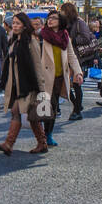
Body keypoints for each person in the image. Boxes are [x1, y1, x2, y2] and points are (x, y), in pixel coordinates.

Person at [0, 12, 48, 155]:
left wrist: (41, 88)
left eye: (18, 23)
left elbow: (37, 65)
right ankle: (42, 143)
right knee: (31, 116)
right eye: (14, 23)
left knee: (16, 111)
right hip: (17, 84)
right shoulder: (14, 40)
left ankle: (8, 144)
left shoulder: (31, 41)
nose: (15, 25)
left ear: (24, 26)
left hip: (29, 84)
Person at [37, 10, 81, 146]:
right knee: (44, 108)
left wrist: (78, 72)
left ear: (60, 21)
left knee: (53, 108)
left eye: (54, 18)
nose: (50, 20)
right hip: (44, 77)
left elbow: (71, 55)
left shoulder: (64, 36)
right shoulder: (42, 35)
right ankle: (42, 137)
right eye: (49, 18)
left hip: (59, 77)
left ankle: (48, 134)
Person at [60, 2, 96, 121]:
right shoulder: (65, 24)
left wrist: (72, 40)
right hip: (67, 56)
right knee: (66, 84)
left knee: (76, 83)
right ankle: (77, 105)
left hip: (77, 57)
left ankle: (77, 110)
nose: (61, 13)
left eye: (63, 11)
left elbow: (86, 38)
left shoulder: (79, 22)